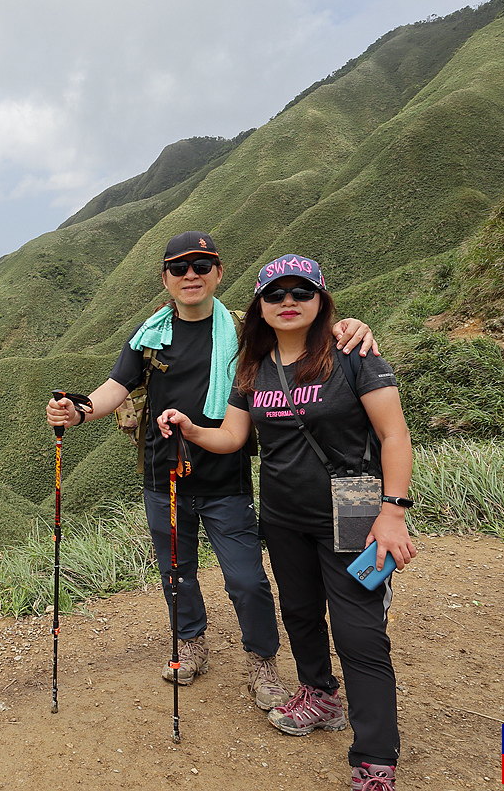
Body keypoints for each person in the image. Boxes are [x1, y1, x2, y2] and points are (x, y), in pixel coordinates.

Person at [45, 232, 377, 713]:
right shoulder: (149, 338)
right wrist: (78, 412)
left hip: (227, 476)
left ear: (219, 273)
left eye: (202, 265)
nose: (191, 275)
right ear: (165, 279)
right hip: (164, 478)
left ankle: (262, 662)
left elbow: (306, 336)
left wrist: (352, 326)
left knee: (246, 579)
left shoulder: (247, 332)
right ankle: (191, 645)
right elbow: (116, 387)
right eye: (179, 268)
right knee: (175, 573)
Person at [156, 254, 414, 790]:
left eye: (302, 293)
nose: (288, 302)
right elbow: (231, 437)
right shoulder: (253, 366)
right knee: (298, 613)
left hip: (353, 515)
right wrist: (190, 429)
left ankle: (374, 758)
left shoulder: (351, 354)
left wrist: (392, 513)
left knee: (359, 633)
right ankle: (320, 696)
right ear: (260, 306)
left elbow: (394, 435)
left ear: (321, 302)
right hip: (281, 517)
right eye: (275, 295)